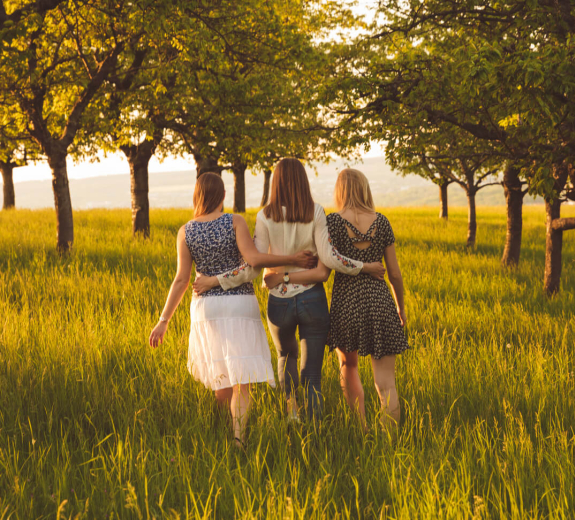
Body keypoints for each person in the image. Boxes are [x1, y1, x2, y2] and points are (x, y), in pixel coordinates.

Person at [193, 159, 386, 421]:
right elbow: (329, 259)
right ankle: (314, 428)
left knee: (285, 357)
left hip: (279, 302)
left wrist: (216, 280)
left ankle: (292, 413)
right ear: (303, 181)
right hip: (312, 298)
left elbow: (253, 265)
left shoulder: (265, 216)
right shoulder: (316, 212)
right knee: (312, 372)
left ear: (276, 182)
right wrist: (365, 266)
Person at [148, 173, 316, 446]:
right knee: (242, 379)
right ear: (223, 196)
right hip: (239, 305)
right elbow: (252, 262)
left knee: (221, 375)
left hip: (207, 308)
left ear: (196, 196)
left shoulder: (186, 231)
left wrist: (163, 320)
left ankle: (219, 433)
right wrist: (292, 259)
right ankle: (238, 439)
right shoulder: (235, 221)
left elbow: (181, 279)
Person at [264, 168, 409, 432]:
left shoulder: (332, 223)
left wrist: (284, 275)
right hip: (379, 301)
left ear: (340, 191)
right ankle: (389, 440)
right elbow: (395, 274)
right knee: (387, 382)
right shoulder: (383, 222)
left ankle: (361, 428)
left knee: (348, 365)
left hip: (346, 304)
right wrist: (400, 307)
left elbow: (324, 270)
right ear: (365, 189)